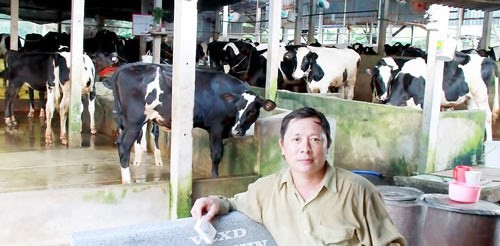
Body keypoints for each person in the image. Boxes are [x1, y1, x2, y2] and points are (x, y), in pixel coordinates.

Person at [191, 107, 406, 245]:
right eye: (296, 140)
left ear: (327, 145)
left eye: (315, 139)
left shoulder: (359, 191)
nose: (305, 148)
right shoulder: (266, 190)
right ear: (282, 147)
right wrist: (214, 202)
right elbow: (233, 203)